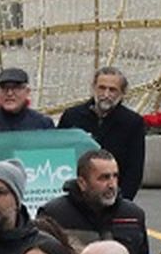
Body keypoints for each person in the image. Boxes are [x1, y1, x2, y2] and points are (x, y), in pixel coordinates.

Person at [37, 148, 152, 254]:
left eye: (114, 176)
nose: (111, 184)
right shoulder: (54, 215)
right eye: (103, 178)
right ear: (82, 183)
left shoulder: (133, 216)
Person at [57, 66, 147, 200]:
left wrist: (122, 202)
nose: (106, 94)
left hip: (113, 197)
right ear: (93, 88)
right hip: (75, 196)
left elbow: (134, 170)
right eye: (102, 88)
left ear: (122, 93)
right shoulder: (72, 117)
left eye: (112, 90)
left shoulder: (133, 123)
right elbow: (59, 155)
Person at [0, 67, 54, 133]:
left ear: (27, 92)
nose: (9, 93)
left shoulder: (42, 124)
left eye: (16, 88)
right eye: (4, 88)